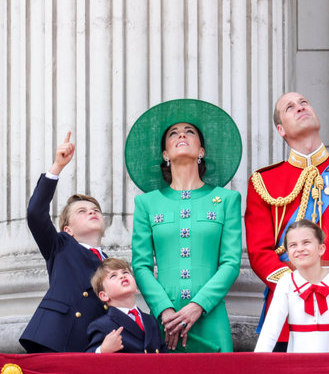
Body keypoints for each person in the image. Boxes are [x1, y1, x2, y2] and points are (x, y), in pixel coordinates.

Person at [245, 92, 329, 351]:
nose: (300, 107)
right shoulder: (264, 182)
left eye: (304, 102)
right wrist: (294, 288)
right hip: (287, 309)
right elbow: (259, 251)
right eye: (290, 107)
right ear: (281, 130)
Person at [125, 99, 243, 353]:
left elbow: (231, 263)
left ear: (201, 151)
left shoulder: (227, 199)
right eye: (173, 133)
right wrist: (164, 310)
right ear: (165, 155)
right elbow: (142, 266)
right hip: (166, 322)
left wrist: (198, 305)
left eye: (190, 132)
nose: (181, 134)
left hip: (210, 316)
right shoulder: (147, 203)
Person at [19, 132, 107, 353]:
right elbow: (36, 213)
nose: (92, 213)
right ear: (67, 229)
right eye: (82, 211)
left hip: (91, 346)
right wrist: (57, 166)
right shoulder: (61, 246)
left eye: (96, 210)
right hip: (55, 338)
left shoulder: (112, 264)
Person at [255, 220, 329, 352]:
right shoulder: (286, 282)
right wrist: (257, 364)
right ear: (288, 254)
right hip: (298, 365)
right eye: (293, 245)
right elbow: (270, 330)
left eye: (306, 242)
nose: (300, 249)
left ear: (321, 248)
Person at [86, 258, 167, 353]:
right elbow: (88, 360)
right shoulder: (102, 326)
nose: (122, 276)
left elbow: (163, 357)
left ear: (136, 287)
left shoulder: (151, 321)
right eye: (113, 276)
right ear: (104, 295)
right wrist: (103, 350)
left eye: (125, 272)